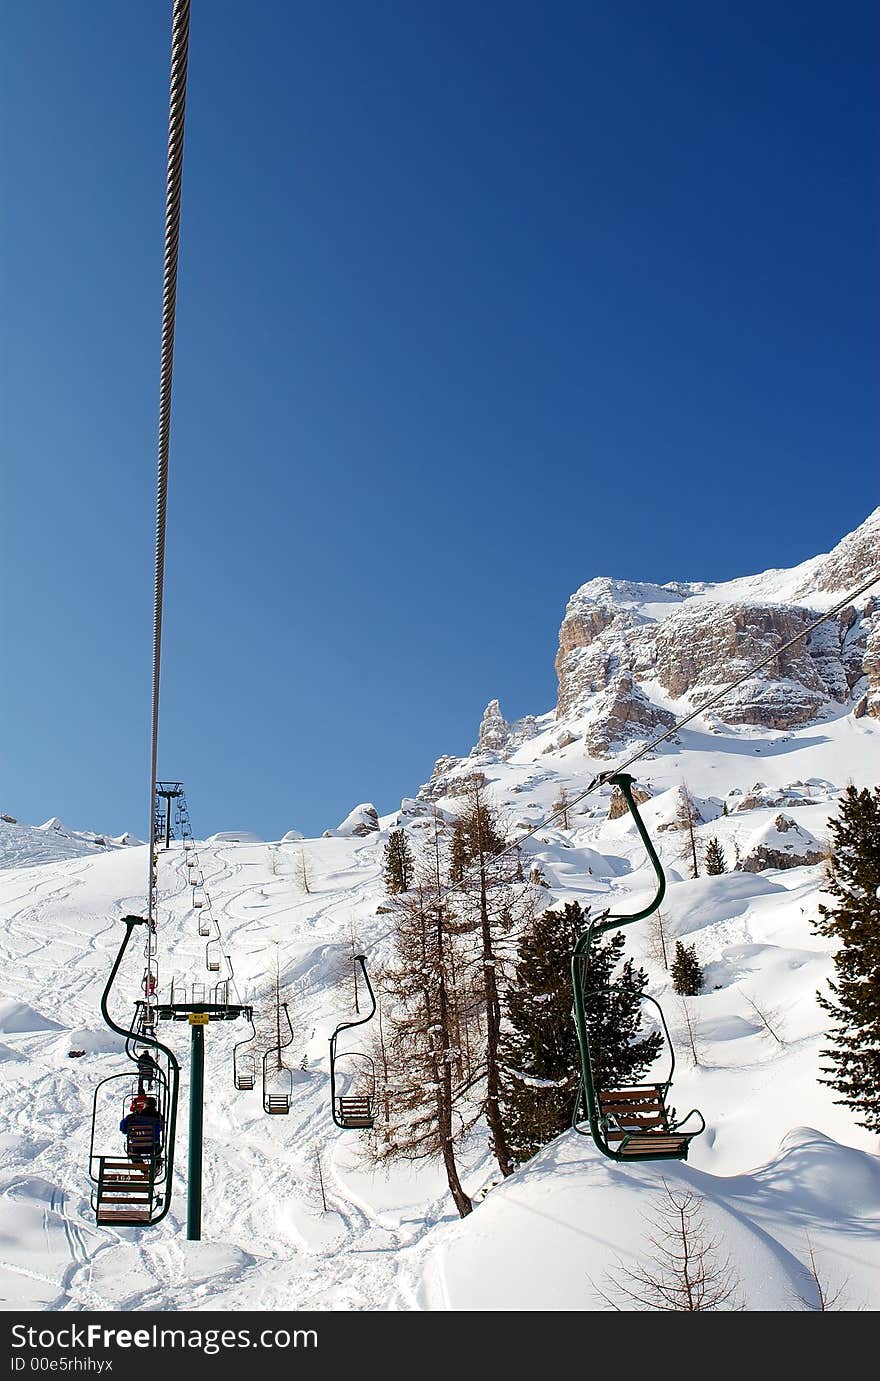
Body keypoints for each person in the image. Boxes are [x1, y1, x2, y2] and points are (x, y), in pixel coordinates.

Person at [120, 1095, 164, 1162]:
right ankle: (156, 1165)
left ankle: (143, 1168)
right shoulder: (158, 1117)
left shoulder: (133, 1117)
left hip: (136, 1147)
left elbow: (123, 1129)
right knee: (157, 1147)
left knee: (132, 1151)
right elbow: (161, 1128)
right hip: (153, 1147)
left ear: (145, 1105)